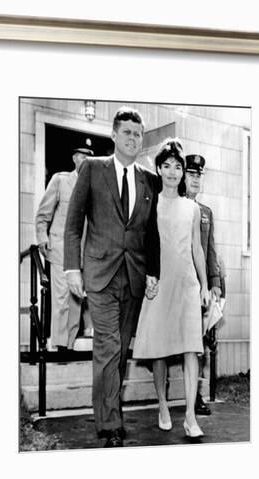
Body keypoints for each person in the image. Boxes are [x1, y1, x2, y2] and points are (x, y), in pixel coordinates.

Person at [64, 107, 160, 448]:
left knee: (119, 353)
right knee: (108, 347)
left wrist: (152, 272)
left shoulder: (149, 180)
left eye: (138, 134)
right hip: (99, 273)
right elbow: (74, 223)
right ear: (114, 135)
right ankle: (109, 423)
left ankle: (109, 409)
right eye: (127, 132)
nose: (133, 139)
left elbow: (151, 233)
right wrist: (72, 268)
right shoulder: (92, 169)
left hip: (133, 277)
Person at [133, 138, 209, 438]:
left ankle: (190, 416)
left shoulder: (191, 207)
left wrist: (204, 285)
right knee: (160, 351)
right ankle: (163, 405)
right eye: (167, 166)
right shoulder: (150, 203)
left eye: (178, 167)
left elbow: (197, 248)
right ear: (159, 169)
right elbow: (142, 245)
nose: (173, 172)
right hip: (160, 285)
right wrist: (148, 277)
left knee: (192, 348)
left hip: (188, 284)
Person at [35, 144, 94, 351]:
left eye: (90, 157)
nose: (86, 161)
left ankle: (68, 345)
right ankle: (59, 345)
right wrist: (42, 237)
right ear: (74, 158)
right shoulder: (60, 180)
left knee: (76, 300)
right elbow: (43, 214)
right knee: (60, 299)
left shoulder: (92, 186)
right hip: (60, 248)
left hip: (80, 253)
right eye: (82, 157)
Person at [185, 154, 221, 416]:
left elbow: (210, 251)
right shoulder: (170, 205)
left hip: (199, 290)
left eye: (199, 175)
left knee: (199, 344)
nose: (195, 179)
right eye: (191, 174)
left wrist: (215, 284)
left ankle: (197, 396)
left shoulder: (206, 212)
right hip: (174, 287)